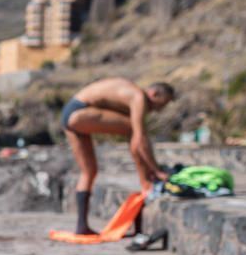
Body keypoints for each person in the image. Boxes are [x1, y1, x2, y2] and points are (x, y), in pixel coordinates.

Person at [61, 78, 176, 235]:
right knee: (133, 129)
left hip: (69, 113)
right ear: (153, 93)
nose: (158, 110)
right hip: (80, 112)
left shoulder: (130, 95)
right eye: (161, 104)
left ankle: (82, 226)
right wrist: (156, 170)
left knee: (89, 171)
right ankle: (146, 184)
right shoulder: (138, 97)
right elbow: (139, 139)